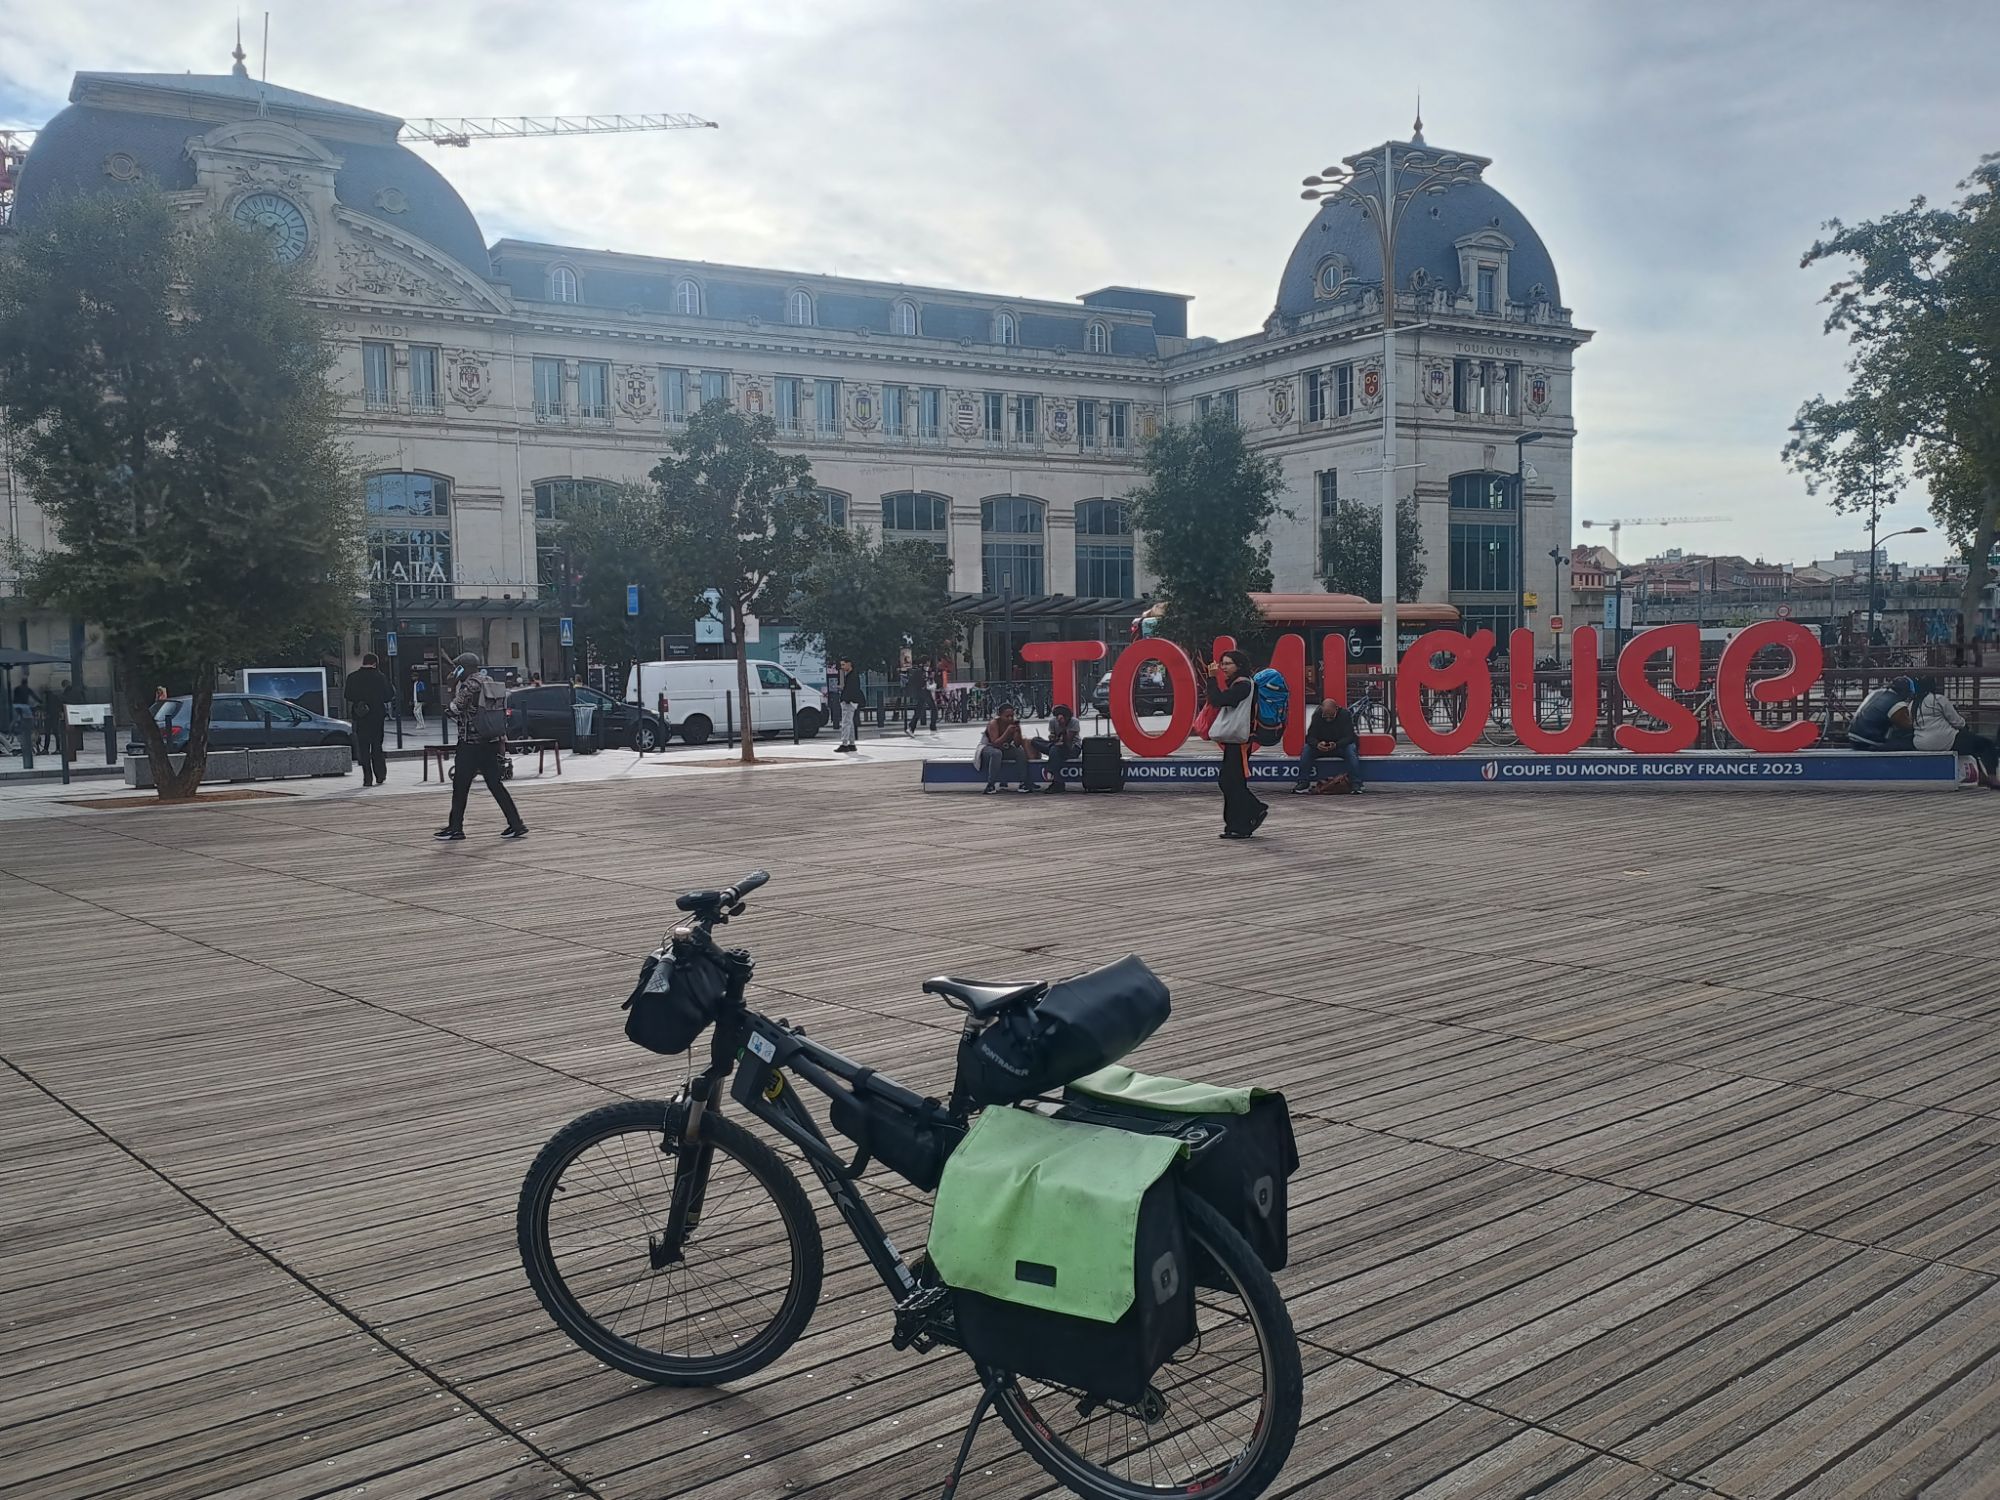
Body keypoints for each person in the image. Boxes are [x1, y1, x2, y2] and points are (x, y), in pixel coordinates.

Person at [436, 652, 527, 841]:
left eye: (458, 667)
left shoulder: (469, 685)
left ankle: (456, 828)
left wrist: (450, 688)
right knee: (495, 784)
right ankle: (516, 823)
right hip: (490, 741)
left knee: (460, 785)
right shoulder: (488, 680)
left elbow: (452, 709)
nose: (455, 670)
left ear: (465, 667)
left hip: (470, 743)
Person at [1205, 649, 1265, 838]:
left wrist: (1212, 679)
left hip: (1240, 742)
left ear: (1239, 665)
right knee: (1229, 781)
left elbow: (1219, 700)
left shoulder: (1244, 684)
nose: (1223, 667)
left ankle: (1244, 821)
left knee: (1232, 782)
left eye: (1228, 663)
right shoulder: (1239, 684)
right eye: (1222, 664)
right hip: (1234, 740)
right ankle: (1238, 821)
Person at [1910, 675, 2000, 787]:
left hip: (1921, 743)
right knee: (1985, 744)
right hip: (1945, 741)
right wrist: (1964, 725)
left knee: (1969, 743)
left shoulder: (1912, 705)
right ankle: (1992, 777)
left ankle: (1981, 775)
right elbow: (1957, 722)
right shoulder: (1938, 699)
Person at [1294, 697, 1364, 795]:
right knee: (1307, 749)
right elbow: (1310, 737)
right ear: (1321, 710)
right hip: (1322, 747)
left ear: (1336, 709)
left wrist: (1336, 744)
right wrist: (1317, 744)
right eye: (1325, 716)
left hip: (1340, 746)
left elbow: (1349, 737)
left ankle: (1356, 783)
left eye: (1331, 716)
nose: (1327, 719)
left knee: (1351, 750)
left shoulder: (1345, 714)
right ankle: (1303, 782)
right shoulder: (1317, 715)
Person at [343, 652, 392, 787]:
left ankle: (367, 778)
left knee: (363, 748)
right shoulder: (380, 677)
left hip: (360, 717)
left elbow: (347, 695)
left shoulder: (352, 677)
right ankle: (380, 775)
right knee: (377, 746)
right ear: (375, 663)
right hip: (377, 717)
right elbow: (389, 695)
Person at [975, 704, 1038, 793]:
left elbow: (1017, 744)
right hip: (988, 748)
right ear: (1000, 716)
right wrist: (1007, 732)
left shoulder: (1013, 724)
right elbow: (995, 743)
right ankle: (990, 784)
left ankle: (1023, 782)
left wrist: (1017, 732)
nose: (1010, 718)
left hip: (1004, 748)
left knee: (1020, 752)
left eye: (1012, 716)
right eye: (1007, 716)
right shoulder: (994, 723)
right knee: (996, 753)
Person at [1849, 676, 1917, 751]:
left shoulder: (1876, 692)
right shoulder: (1897, 703)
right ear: (1906, 692)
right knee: (1909, 740)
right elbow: (1907, 726)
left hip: (1853, 736)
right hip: (1868, 740)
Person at [1030, 704, 1081, 792]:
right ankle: (1056, 781)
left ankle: (1052, 774)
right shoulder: (1053, 722)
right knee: (1035, 741)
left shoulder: (1074, 722)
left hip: (1072, 748)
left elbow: (1068, 742)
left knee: (1055, 750)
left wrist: (1063, 726)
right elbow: (1053, 736)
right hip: (1055, 746)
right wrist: (1052, 737)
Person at [836, 660, 865, 752]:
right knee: (850, 722)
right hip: (852, 701)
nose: (842, 667)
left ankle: (844, 743)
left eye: (844, 665)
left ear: (849, 664)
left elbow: (851, 689)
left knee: (846, 722)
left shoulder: (851, 676)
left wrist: (846, 700)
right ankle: (852, 743)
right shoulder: (851, 675)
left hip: (849, 702)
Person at [904, 657, 937, 734]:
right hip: (924, 692)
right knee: (934, 709)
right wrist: (927, 681)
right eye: (928, 662)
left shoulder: (923, 671)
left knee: (918, 710)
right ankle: (933, 727)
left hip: (921, 693)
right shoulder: (921, 672)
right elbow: (921, 682)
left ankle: (911, 727)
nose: (929, 664)